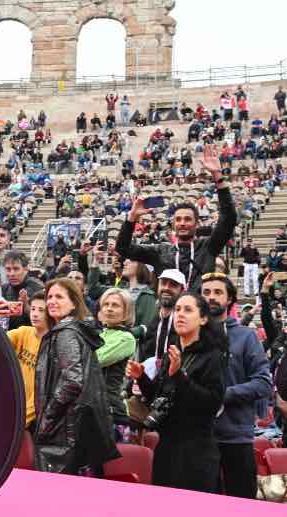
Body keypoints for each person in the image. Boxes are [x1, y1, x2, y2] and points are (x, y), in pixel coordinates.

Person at [126, 292, 225, 493]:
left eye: (188, 310)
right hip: (167, 447)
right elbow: (159, 398)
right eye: (178, 309)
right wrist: (142, 378)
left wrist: (179, 375)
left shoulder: (212, 356)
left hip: (196, 452)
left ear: (203, 318)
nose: (180, 314)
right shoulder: (171, 352)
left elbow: (211, 403)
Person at [116, 145, 236, 291]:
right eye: (178, 220)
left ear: (197, 224)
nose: (182, 223)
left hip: (200, 310)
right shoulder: (160, 252)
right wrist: (132, 217)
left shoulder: (207, 247)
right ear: (173, 224)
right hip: (169, 311)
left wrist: (217, 175)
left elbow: (228, 218)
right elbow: (123, 249)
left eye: (187, 219)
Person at [34, 278, 119, 474]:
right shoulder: (73, 330)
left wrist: (48, 417)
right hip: (72, 429)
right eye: (49, 297)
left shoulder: (66, 333)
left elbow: (72, 380)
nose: (52, 301)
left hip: (62, 432)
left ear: (73, 303)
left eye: (59, 297)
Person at [200, 272, 271, 498]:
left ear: (229, 299)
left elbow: (263, 383)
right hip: (199, 437)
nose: (211, 297)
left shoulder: (245, 337)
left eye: (218, 292)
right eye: (206, 292)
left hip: (236, 436)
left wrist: (222, 395)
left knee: (241, 503)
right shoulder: (191, 335)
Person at [0, 290, 48, 429]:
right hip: (14, 404)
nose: (35, 314)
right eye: (33, 309)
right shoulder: (24, 332)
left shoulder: (54, 343)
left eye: (41, 310)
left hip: (36, 416)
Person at [96, 288, 136, 442]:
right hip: (92, 409)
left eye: (115, 305)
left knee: (108, 466)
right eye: (106, 304)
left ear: (126, 312)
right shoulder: (101, 333)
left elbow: (96, 359)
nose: (109, 308)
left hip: (112, 412)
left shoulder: (127, 338)